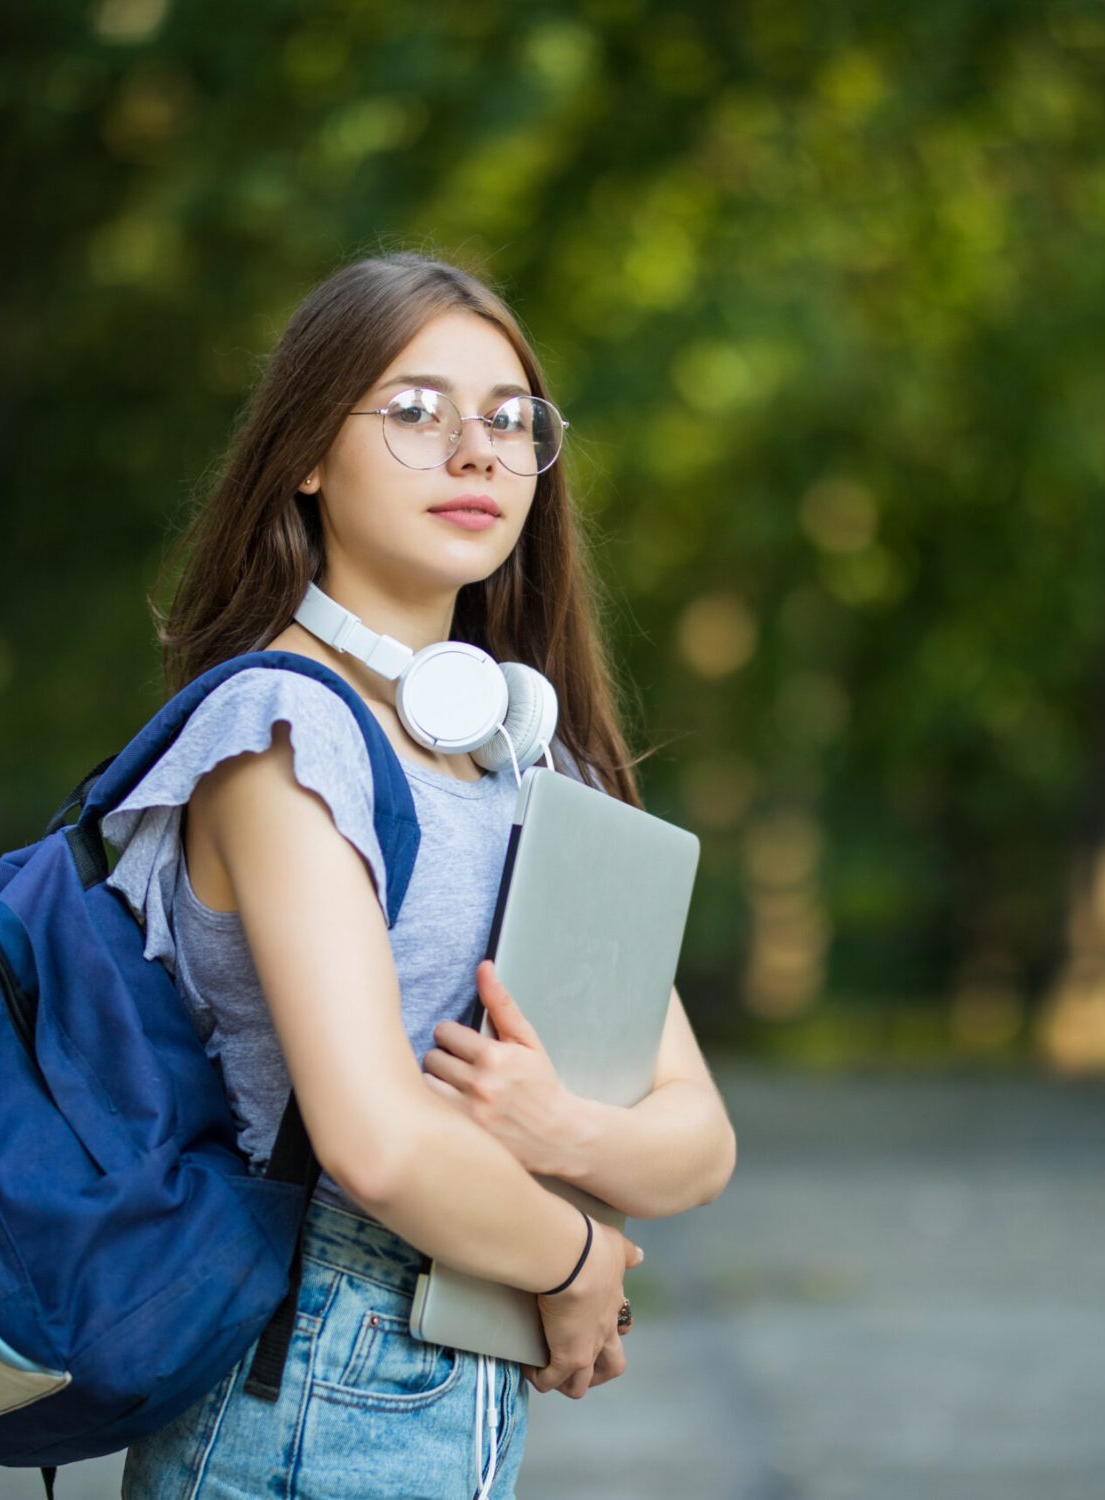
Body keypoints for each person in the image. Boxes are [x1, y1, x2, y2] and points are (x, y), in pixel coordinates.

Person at [109, 252, 737, 1500]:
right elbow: (376, 1144)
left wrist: (562, 1130)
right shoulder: (282, 736)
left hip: (459, 1382)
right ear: (302, 453)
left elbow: (700, 1142)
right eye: (413, 412)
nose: (477, 453)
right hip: (299, 1384)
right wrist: (573, 1260)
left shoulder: (527, 752)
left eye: (510, 421)